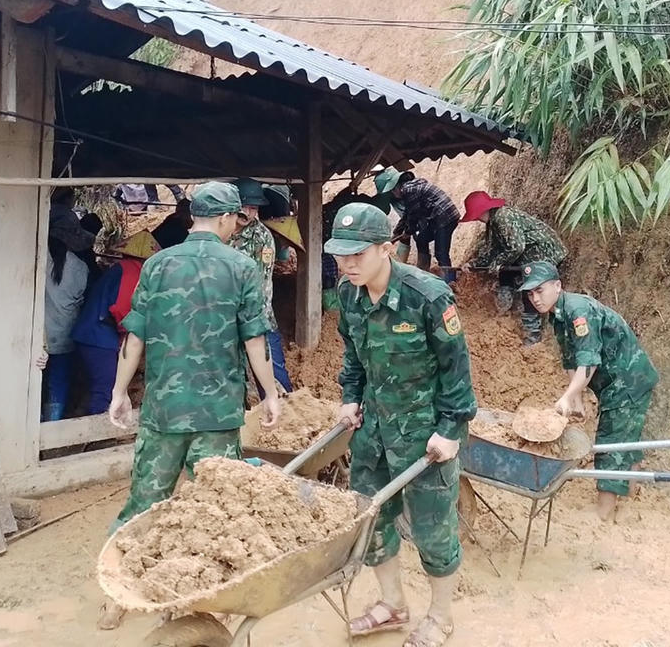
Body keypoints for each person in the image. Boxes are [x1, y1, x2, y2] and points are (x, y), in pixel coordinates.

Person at [100, 182, 282, 630]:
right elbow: (255, 340)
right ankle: (203, 601)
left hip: (163, 410)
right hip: (217, 414)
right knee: (212, 505)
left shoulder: (157, 264)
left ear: (192, 217)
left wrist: (119, 392)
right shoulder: (241, 267)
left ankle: (116, 594)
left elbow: (135, 336)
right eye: (236, 219)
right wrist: (270, 394)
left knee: (144, 501)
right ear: (226, 218)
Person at [327, 202, 476, 647]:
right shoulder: (348, 294)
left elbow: (457, 369)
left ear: (386, 249)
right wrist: (350, 397)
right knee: (370, 518)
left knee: (432, 530)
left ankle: (441, 616)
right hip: (373, 431)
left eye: (358, 254)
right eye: (341, 254)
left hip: (425, 432)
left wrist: (451, 429)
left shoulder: (427, 296)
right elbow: (353, 355)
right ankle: (392, 603)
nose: (348, 264)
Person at [520, 261, 659, 522]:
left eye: (540, 290)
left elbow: (589, 362)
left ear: (557, 286)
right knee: (626, 437)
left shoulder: (578, 311)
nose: (535, 298)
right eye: (530, 293)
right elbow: (571, 360)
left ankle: (603, 514)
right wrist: (577, 398)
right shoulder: (558, 315)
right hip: (615, 382)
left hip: (628, 380)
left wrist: (566, 397)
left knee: (610, 442)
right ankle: (629, 498)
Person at [71, 230, 159, 417]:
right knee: (106, 388)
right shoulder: (132, 272)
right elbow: (122, 310)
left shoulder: (120, 269)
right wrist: (131, 336)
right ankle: (97, 430)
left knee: (91, 386)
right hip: (99, 337)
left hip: (90, 333)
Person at [462, 190, 566, 346]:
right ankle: (505, 307)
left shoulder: (503, 217)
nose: (477, 219)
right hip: (528, 254)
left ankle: (533, 334)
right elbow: (494, 250)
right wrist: (474, 264)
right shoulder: (494, 222)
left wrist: (498, 263)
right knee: (505, 274)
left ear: (482, 211)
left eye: (476, 215)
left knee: (530, 288)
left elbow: (517, 247)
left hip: (544, 252)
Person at [231, 178, 293, 397]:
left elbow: (261, 284)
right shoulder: (219, 232)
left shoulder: (261, 237)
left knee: (273, 372)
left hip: (258, 316)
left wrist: (252, 323)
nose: (249, 212)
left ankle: (284, 407)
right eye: (245, 206)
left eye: (254, 208)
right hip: (224, 318)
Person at [42, 206, 92, 421]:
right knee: (58, 383)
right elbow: (80, 300)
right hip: (64, 335)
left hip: (38, 334)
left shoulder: (37, 259)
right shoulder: (80, 267)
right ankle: (52, 427)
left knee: (34, 381)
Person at [374, 168, 461, 285]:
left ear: (395, 188)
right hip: (438, 217)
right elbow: (407, 214)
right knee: (421, 239)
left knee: (441, 252)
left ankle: (450, 282)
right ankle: (423, 270)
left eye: (392, 193)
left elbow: (414, 215)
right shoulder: (409, 188)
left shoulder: (409, 190)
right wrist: (396, 232)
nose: (394, 196)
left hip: (445, 216)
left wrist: (408, 231)